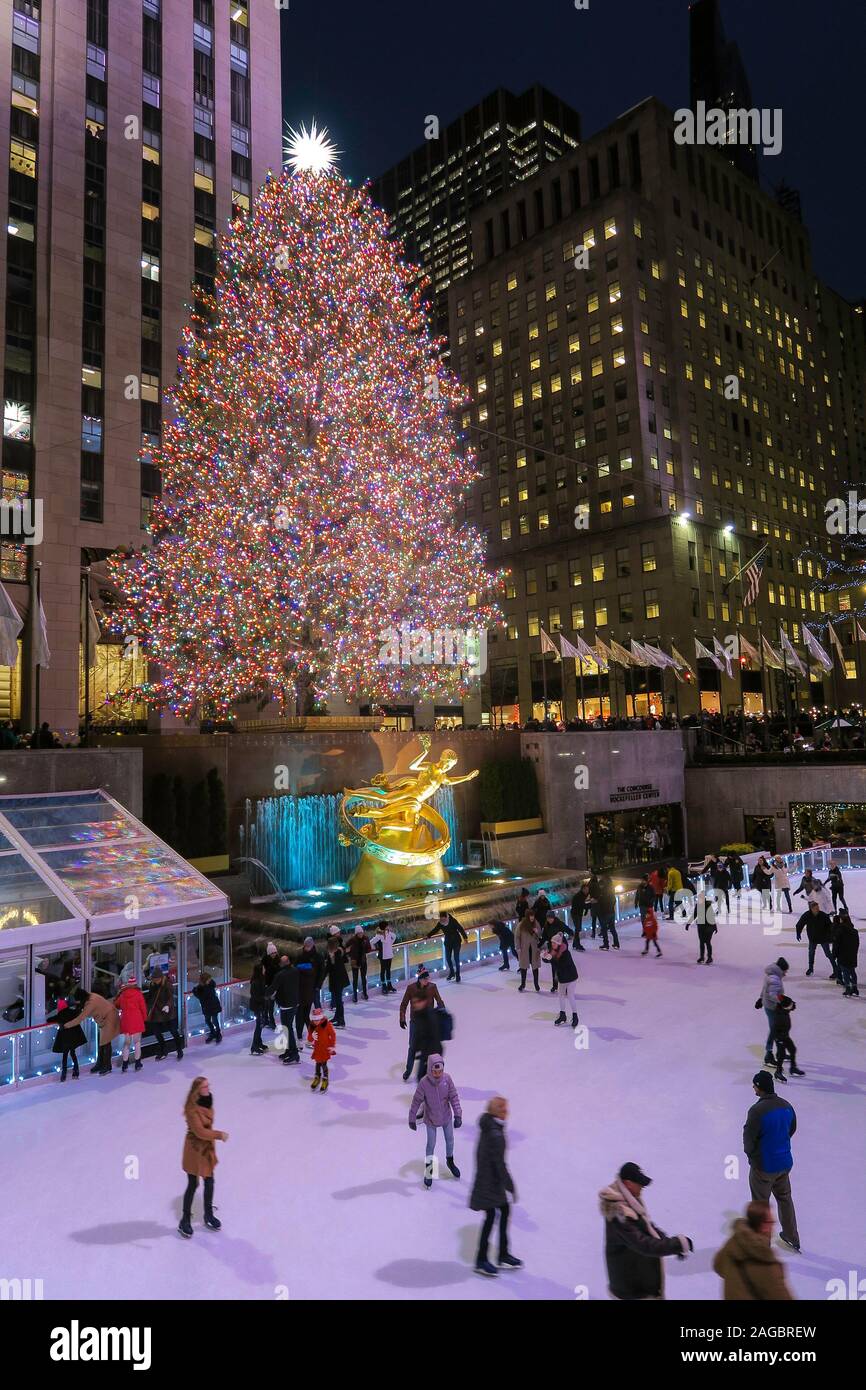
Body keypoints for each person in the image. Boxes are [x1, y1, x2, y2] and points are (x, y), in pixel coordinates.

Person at [599, 1162, 692, 1300]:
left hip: (639, 1282)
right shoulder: (619, 1213)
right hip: (631, 1291)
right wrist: (677, 1244)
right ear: (628, 1183)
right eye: (639, 1183)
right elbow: (643, 1244)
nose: (642, 1187)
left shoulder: (631, 1201)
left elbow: (647, 1227)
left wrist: (669, 1242)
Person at [743, 1071, 800, 1252]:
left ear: (760, 1087)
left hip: (764, 1166)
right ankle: (791, 1236)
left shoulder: (756, 1111)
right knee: (785, 1199)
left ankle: (762, 1247)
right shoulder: (787, 1106)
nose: (753, 1088)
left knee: (761, 1205)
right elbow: (791, 1129)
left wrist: (752, 1156)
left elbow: (749, 1138)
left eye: (754, 1085)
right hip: (784, 1163)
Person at [469, 1096, 522, 1277]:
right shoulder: (496, 1134)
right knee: (492, 1216)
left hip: (487, 1180)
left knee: (502, 1212)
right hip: (490, 1183)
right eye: (502, 1109)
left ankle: (502, 1255)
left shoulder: (489, 1125)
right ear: (494, 1111)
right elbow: (500, 1165)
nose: (506, 1112)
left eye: (506, 1108)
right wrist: (510, 1186)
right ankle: (482, 1260)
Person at [712, 1202, 795, 1300]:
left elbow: (718, 1265)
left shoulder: (733, 1242)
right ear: (764, 1226)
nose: (773, 1225)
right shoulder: (765, 1262)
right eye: (771, 1222)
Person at [178, 1076, 228, 1239]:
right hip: (194, 1150)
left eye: (208, 1086)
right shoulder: (192, 1109)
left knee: (210, 1181)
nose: (208, 1089)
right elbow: (200, 1132)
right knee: (193, 1184)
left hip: (206, 1150)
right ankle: (185, 1219)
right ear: (197, 1091)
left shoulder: (207, 1100)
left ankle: (208, 1214)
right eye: (205, 1087)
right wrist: (219, 1135)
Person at [408, 1053, 462, 1188]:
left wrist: (458, 1115)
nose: (438, 1073)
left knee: (450, 1140)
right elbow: (416, 1101)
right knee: (431, 1144)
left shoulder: (447, 1079)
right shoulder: (424, 1083)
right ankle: (429, 1170)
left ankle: (450, 1161)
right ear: (430, 1070)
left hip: (446, 1117)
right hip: (431, 1119)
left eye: (440, 1071)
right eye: (435, 1071)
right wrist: (412, 1118)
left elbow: (454, 1097)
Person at [64, 988, 120, 1076]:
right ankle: (100, 1063)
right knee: (101, 1042)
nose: (77, 1003)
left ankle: (107, 1066)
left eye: (77, 1001)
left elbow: (80, 1018)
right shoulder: (89, 997)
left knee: (105, 1042)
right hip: (104, 1019)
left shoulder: (91, 1003)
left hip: (110, 1017)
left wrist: (67, 1025)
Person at [146, 967, 183, 1062]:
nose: (154, 981)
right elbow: (150, 998)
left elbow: (170, 998)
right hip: (156, 1013)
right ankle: (163, 1050)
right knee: (157, 1032)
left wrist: (167, 1006)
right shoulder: (152, 985)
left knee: (173, 1031)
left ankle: (179, 1049)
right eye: (153, 979)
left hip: (167, 1013)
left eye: (156, 979)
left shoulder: (167, 985)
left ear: (160, 978)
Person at [113, 975, 148, 1074]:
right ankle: (137, 1063)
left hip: (126, 1020)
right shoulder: (138, 994)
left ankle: (125, 1065)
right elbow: (143, 1008)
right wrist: (145, 1018)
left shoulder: (123, 994)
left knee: (127, 1044)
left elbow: (116, 1004)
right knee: (137, 1042)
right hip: (137, 1019)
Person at [759, 958, 789, 1066]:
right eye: (785, 971)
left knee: (776, 1029)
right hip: (772, 1007)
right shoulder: (775, 978)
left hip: (770, 1006)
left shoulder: (771, 974)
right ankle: (768, 1055)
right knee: (774, 1030)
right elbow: (772, 995)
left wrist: (760, 998)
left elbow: (764, 989)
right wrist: (783, 1001)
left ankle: (780, 1052)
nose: (785, 974)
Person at [270, 955, 300, 1064]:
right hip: (294, 1003)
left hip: (286, 1005)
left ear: (282, 963)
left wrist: (264, 995)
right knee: (287, 1028)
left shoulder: (280, 975)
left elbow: (273, 988)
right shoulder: (295, 971)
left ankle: (294, 1053)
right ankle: (289, 1050)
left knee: (288, 1029)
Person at [794, 900, 836, 978]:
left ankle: (836, 970)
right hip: (813, 938)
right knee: (811, 953)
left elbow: (830, 926)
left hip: (823, 938)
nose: (817, 909)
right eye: (816, 908)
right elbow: (800, 924)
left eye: (818, 908)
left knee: (828, 954)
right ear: (811, 909)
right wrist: (798, 933)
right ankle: (810, 968)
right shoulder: (807, 915)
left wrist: (831, 936)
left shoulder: (823, 915)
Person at [48, 995, 86, 1082]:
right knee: (73, 1054)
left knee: (65, 1056)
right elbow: (78, 1012)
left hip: (65, 1039)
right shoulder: (72, 1012)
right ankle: (76, 1070)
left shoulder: (60, 1015)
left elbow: (49, 1019)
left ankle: (63, 1074)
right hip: (74, 1038)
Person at [545, 934, 579, 1028]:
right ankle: (563, 1015)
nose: (552, 944)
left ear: (558, 943)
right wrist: (545, 957)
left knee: (570, 996)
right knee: (560, 996)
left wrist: (550, 959)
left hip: (571, 978)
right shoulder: (554, 951)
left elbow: (560, 966)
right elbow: (551, 960)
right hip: (562, 978)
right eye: (551, 942)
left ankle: (575, 1016)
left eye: (554, 943)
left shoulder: (565, 953)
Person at [295, 936, 325, 1042]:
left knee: (306, 1013)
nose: (307, 947)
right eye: (306, 946)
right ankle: (306, 1033)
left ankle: (312, 1032)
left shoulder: (318, 957)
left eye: (309, 946)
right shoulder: (300, 956)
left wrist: (317, 986)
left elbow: (322, 973)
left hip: (311, 990)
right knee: (302, 1014)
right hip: (302, 991)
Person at [426, 910, 469, 982]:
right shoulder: (440, 923)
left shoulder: (452, 921)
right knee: (448, 958)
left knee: (456, 958)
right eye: (441, 919)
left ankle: (458, 974)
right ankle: (452, 972)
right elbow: (435, 930)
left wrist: (465, 938)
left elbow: (460, 928)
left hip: (456, 941)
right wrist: (428, 935)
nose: (442, 920)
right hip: (448, 942)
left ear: (446, 917)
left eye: (443, 919)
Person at [771, 995, 804, 1082]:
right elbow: (775, 1030)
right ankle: (778, 1072)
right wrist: (779, 1040)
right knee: (781, 1055)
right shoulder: (779, 1016)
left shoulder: (784, 1010)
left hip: (785, 1035)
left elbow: (790, 1004)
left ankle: (793, 1068)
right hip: (780, 1038)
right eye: (790, 1005)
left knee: (793, 1049)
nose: (791, 1005)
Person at [307, 1006, 336, 1092]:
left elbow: (333, 1034)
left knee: (323, 1064)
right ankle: (317, 1076)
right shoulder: (312, 1026)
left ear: (321, 1018)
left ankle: (325, 1078)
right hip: (317, 1049)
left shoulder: (327, 1024)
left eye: (317, 1020)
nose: (316, 1022)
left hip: (325, 1048)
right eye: (314, 1020)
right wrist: (311, 1037)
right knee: (317, 1063)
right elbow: (309, 1039)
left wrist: (332, 1045)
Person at [325, 927, 349, 1028]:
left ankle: (341, 1020)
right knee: (337, 999)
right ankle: (337, 1017)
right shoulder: (335, 952)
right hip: (338, 979)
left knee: (338, 1000)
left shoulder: (336, 954)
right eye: (338, 932)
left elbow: (332, 966)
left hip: (338, 980)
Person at [833, 910, 860, 997]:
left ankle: (848, 988)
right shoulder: (854, 931)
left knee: (845, 972)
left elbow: (836, 943)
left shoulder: (840, 930)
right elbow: (857, 943)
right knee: (852, 971)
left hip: (843, 955)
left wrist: (834, 954)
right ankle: (855, 988)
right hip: (852, 954)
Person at [516, 912, 541, 992]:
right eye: (530, 917)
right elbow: (517, 937)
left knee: (535, 967)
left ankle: (536, 984)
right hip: (524, 949)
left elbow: (540, 935)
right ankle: (523, 984)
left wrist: (537, 932)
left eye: (533, 917)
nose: (532, 919)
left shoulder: (536, 924)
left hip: (533, 949)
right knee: (523, 967)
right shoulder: (521, 925)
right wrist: (518, 947)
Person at [346, 925, 372, 1003]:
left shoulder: (366, 938)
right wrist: (351, 955)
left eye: (361, 933)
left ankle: (364, 993)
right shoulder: (352, 940)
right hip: (355, 961)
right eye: (359, 933)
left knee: (364, 978)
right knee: (355, 979)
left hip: (363, 961)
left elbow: (368, 948)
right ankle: (355, 995)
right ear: (356, 933)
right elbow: (346, 948)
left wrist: (365, 951)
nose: (361, 934)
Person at [248, 962, 269, 1055]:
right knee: (259, 1026)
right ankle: (254, 1046)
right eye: (263, 969)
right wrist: (265, 997)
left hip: (260, 1005)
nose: (265, 970)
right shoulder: (256, 982)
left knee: (260, 1025)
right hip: (257, 1006)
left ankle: (258, 1043)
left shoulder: (261, 979)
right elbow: (256, 996)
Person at [370, 920, 397, 993]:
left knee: (388, 970)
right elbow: (371, 942)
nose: (388, 927)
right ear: (385, 927)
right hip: (383, 955)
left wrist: (390, 944)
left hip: (389, 954)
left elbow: (394, 936)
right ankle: (384, 986)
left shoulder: (388, 933)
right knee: (383, 971)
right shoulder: (379, 935)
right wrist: (374, 948)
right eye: (387, 926)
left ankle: (389, 985)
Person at [595, 874, 620, 950]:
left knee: (604, 929)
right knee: (612, 928)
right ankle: (616, 943)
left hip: (604, 914)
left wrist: (597, 901)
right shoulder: (611, 890)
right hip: (611, 912)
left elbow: (602, 903)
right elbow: (614, 900)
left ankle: (606, 945)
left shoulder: (603, 892)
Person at [695, 891, 717, 964]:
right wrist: (688, 924)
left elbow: (711, 917)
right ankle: (702, 957)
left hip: (708, 926)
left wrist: (715, 927)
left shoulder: (708, 905)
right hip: (701, 926)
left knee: (707, 942)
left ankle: (709, 957)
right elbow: (694, 915)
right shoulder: (698, 905)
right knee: (701, 942)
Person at [261, 942, 280, 1029]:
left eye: (275, 952)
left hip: (275, 985)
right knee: (268, 1004)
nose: (274, 954)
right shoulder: (265, 961)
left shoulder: (278, 960)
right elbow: (263, 973)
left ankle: (269, 1021)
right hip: (268, 985)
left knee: (271, 1004)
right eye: (272, 953)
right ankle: (268, 1021)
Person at [570, 881, 590, 946]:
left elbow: (583, 904)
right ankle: (577, 944)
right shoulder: (579, 896)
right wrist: (591, 904)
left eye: (588, 889)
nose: (587, 891)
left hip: (578, 913)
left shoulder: (583, 895)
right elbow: (582, 905)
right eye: (586, 889)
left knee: (578, 929)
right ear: (583, 889)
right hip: (575, 914)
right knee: (578, 929)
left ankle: (575, 944)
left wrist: (586, 909)